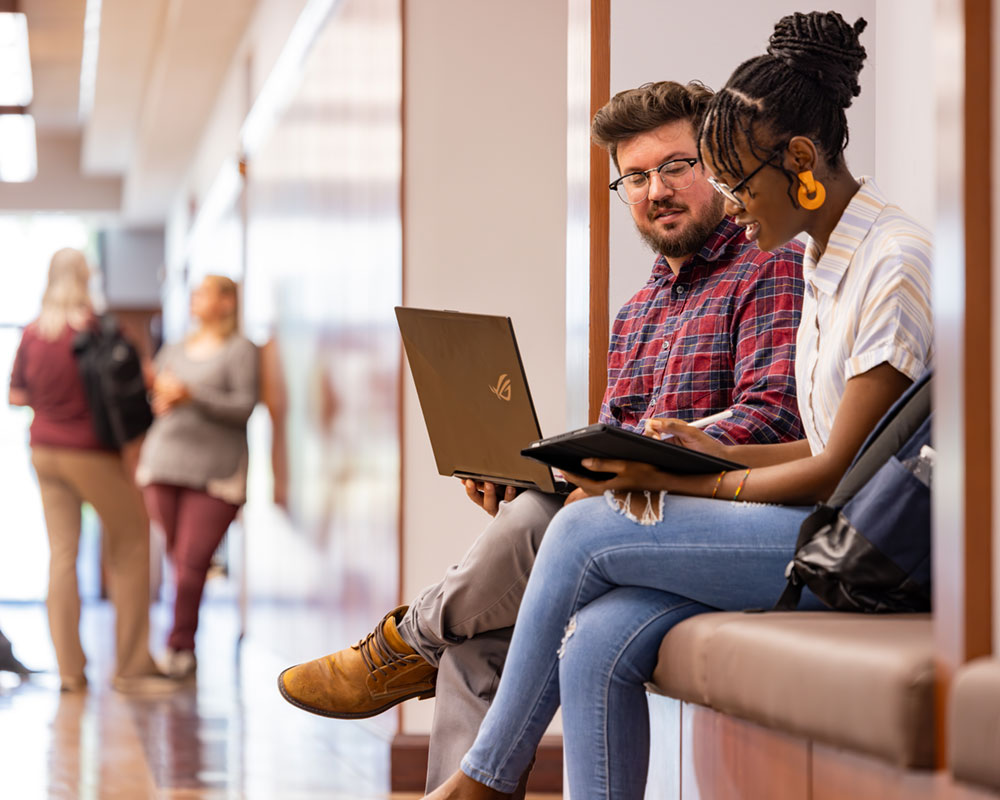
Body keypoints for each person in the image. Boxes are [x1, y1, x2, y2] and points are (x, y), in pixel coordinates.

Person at [425, 11, 934, 799]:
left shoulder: (893, 263)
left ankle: (485, 778)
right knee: (593, 638)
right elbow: (826, 443)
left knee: (590, 527)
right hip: (822, 517)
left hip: (868, 547)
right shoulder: (824, 259)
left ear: (800, 161)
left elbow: (838, 472)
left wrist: (682, 482)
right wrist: (688, 451)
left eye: (737, 183)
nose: (732, 206)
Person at [278, 80, 805, 792]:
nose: (657, 190)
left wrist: (644, 458)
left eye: (677, 166)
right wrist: (548, 466)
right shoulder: (639, 310)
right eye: (637, 176)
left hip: (725, 523)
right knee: (482, 636)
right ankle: (435, 660)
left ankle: (404, 645)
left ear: (714, 164)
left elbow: (773, 416)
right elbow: (619, 435)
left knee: (539, 521)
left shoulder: (768, 266)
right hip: (635, 522)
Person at [8, 248, 169, 693]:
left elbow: (16, 396)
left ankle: (69, 671)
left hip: (43, 451)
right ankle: (132, 667)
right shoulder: (97, 332)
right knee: (132, 544)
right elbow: (131, 388)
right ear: (87, 279)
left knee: (62, 555)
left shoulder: (32, 334)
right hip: (91, 454)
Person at [136, 275, 259, 679]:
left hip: (215, 472)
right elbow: (156, 397)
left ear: (227, 302)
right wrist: (163, 396)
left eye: (204, 292)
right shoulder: (175, 346)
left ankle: (180, 647)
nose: (195, 298)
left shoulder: (240, 349)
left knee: (192, 560)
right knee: (178, 559)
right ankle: (179, 642)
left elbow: (243, 407)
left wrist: (192, 396)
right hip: (163, 463)